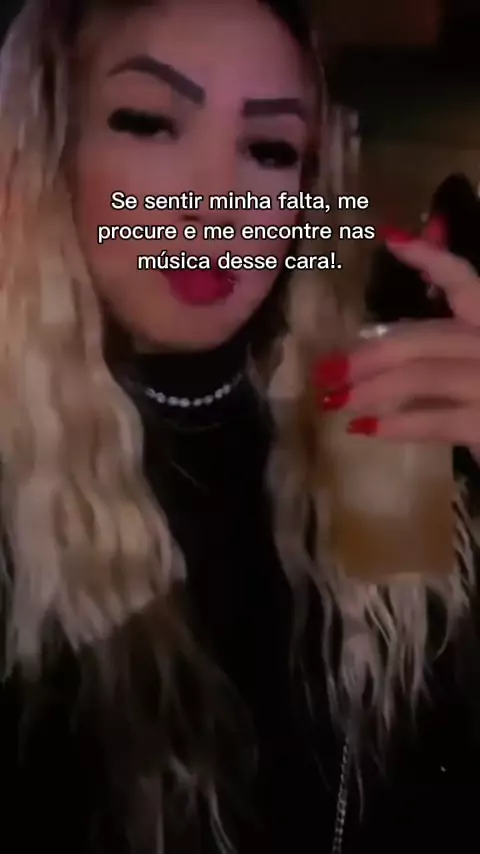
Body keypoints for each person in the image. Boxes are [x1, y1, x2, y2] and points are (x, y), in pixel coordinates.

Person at [1, 1, 480, 853]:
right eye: (149, 123)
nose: (217, 204)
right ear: (50, 151)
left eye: (269, 149)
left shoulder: (371, 409)